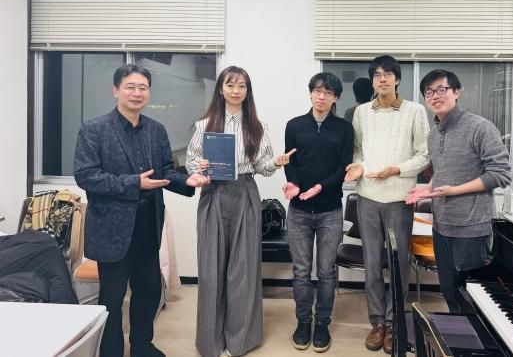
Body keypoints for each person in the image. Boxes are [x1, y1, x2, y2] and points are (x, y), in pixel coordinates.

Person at [74, 64, 208, 357]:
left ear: (149, 92)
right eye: (130, 87)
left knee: (148, 291)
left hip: (148, 225)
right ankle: (110, 351)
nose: (137, 93)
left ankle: (142, 346)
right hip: (112, 229)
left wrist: (187, 180)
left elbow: (164, 171)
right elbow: (86, 176)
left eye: (143, 87)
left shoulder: (156, 130)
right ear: (116, 90)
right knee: (111, 297)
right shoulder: (94, 129)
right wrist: (134, 183)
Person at [186, 66, 293, 357]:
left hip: (245, 191)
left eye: (242, 86)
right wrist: (199, 168)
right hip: (213, 193)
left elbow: (262, 168)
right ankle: (210, 341)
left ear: (248, 91)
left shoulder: (258, 126)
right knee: (211, 268)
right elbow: (191, 162)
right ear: (221, 89)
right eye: (230, 85)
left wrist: (277, 162)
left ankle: (240, 340)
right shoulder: (204, 125)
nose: (236, 90)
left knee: (243, 268)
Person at [407, 69, 512, 313]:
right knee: (449, 291)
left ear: (456, 92)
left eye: (441, 89)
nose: (435, 96)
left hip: (471, 229)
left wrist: (453, 191)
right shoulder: (433, 135)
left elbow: (500, 174)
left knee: (472, 297)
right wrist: (426, 189)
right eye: (429, 92)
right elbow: (442, 172)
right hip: (441, 226)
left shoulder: (480, 127)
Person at [345, 55, 429, 354]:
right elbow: (357, 150)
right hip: (367, 196)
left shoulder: (414, 111)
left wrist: (397, 169)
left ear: (397, 79)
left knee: (398, 263)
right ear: (372, 80)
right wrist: (358, 166)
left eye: (388, 74)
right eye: (377, 74)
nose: (382, 79)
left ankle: (395, 323)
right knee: (371, 262)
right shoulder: (361, 112)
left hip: (398, 198)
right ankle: (378, 322)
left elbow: (424, 154)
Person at [283, 72, 354, 353]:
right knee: (301, 271)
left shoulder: (344, 129)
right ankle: (303, 322)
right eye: (316, 91)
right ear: (310, 93)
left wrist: (320, 187)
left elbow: (344, 167)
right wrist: (294, 183)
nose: (321, 96)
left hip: (330, 211)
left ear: (336, 97)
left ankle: (322, 323)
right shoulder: (294, 125)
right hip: (298, 210)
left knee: (326, 271)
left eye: (327, 92)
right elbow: (290, 162)